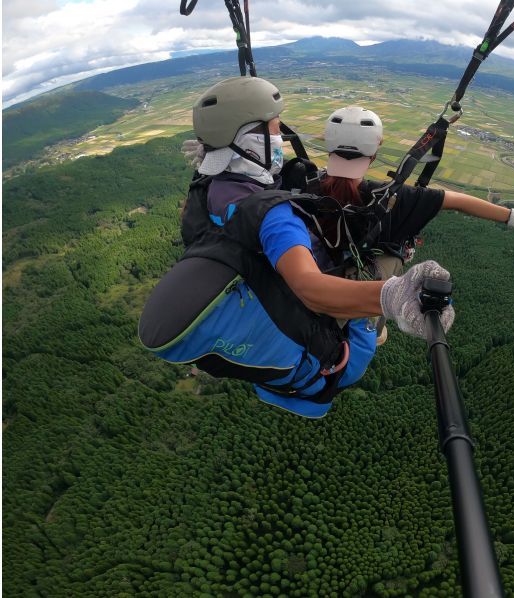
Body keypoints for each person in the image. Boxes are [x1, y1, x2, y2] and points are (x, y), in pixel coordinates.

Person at [140, 76, 455, 419]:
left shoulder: (209, 188)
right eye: (275, 131)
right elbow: (310, 288)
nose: (281, 140)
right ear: (249, 141)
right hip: (334, 363)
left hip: (267, 319)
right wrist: (393, 296)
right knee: (389, 258)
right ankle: (372, 327)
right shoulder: (275, 217)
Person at [316, 105, 514, 343]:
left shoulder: (301, 184)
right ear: (375, 151)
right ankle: (369, 330)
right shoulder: (397, 200)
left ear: (328, 145)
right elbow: (457, 201)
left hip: (311, 287)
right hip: (359, 306)